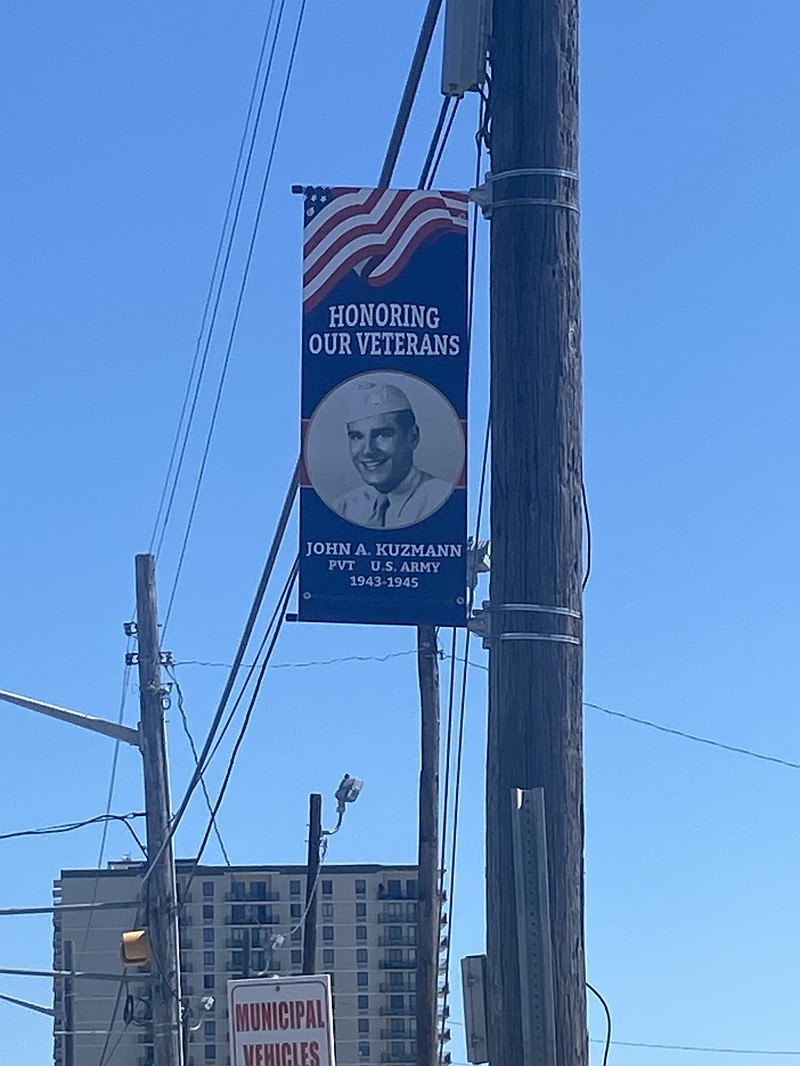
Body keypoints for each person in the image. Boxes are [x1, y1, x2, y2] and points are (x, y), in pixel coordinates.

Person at [332, 380, 453, 528]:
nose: (368, 450)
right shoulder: (344, 508)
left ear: (412, 437)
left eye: (383, 435)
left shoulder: (443, 498)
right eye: (357, 437)